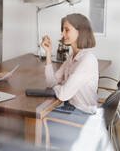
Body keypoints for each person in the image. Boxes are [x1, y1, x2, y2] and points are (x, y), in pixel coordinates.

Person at [41, 13, 98, 147]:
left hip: (82, 115)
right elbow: (51, 83)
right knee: (37, 122)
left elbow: (63, 94)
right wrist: (48, 53)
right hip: (71, 109)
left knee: (38, 125)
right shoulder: (72, 58)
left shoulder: (87, 60)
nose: (62, 33)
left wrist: (61, 86)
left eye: (67, 30)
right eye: (62, 30)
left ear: (80, 31)